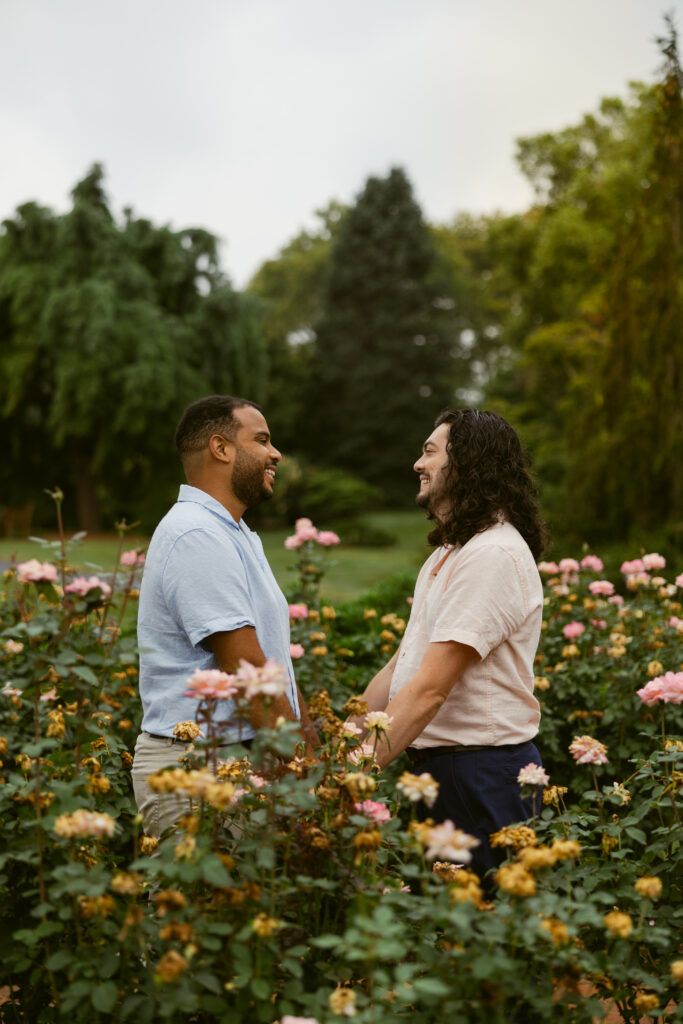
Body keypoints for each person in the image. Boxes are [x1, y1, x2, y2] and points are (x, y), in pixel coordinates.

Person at [352, 409, 548, 882]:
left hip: (482, 774)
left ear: (469, 462)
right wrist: (345, 735)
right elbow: (404, 665)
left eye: (430, 452)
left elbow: (432, 688)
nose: (418, 464)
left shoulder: (492, 554)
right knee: (446, 937)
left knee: (488, 932)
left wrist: (351, 774)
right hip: (444, 771)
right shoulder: (451, 551)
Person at [132, 394, 317, 837]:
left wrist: (309, 748)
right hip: (197, 769)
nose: (276, 453)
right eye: (262, 440)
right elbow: (245, 666)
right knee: (201, 905)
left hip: (236, 760)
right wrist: (312, 778)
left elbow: (272, 662)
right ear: (221, 448)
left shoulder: (231, 532)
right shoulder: (196, 532)